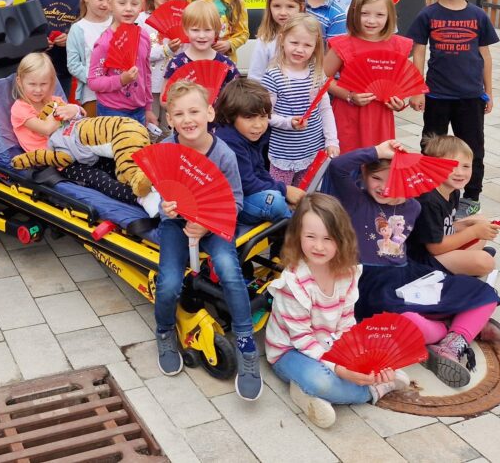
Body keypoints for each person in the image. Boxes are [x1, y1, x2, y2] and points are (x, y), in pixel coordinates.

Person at [327, 139, 500, 388]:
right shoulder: (356, 201)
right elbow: (337, 167)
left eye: (393, 181)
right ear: (364, 175)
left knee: (484, 293)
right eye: (377, 178)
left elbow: (412, 244)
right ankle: (452, 329)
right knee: (403, 320)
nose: (385, 187)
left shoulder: (413, 207)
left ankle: (455, 339)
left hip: (407, 273)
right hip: (371, 283)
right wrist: (377, 151)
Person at [154, 81, 263, 401]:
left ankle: (245, 344)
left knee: (230, 270)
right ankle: (163, 332)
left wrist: (205, 223)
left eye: (194, 111)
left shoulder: (223, 154)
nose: (188, 119)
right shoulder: (167, 150)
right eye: (179, 113)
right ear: (169, 119)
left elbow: (237, 203)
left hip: (215, 224)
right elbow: (162, 196)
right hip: (176, 226)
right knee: (169, 283)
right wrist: (166, 206)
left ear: (209, 113)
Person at [265, 193, 410, 429]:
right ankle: (373, 390)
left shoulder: (347, 273)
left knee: (381, 347)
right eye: (310, 237)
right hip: (290, 351)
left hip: (330, 343)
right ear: (298, 237)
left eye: (328, 238)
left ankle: (306, 391)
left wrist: (357, 360)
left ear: (341, 239)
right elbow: (302, 340)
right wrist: (341, 369)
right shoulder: (293, 283)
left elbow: (346, 323)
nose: (319, 246)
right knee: (321, 382)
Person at [407, 0, 498, 216]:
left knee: (473, 148)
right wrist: (416, 89)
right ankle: (428, 188)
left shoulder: (478, 16)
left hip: (470, 97)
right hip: (436, 95)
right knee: (431, 144)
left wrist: (488, 93)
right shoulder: (428, 15)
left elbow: (485, 56)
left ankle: (471, 196)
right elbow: (420, 52)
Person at [9, 52, 151, 203]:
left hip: (79, 149)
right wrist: (68, 111)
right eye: (32, 84)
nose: (38, 90)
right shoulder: (20, 108)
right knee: (99, 178)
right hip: (58, 162)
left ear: (51, 82)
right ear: (20, 81)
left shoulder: (54, 100)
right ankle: (137, 197)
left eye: (43, 84)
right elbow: (46, 128)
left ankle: (145, 179)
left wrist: (75, 110)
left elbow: (79, 119)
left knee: (112, 162)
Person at [323, 0, 416, 152]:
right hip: (347, 116)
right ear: (353, 13)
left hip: (380, 119)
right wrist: (349, 96)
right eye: (364, 13)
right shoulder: (343, 45)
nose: (371, 21)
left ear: (390, 17)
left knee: (376, 170)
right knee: (347, 167)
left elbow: (400, 85)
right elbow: (321, 79)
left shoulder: (398, 46)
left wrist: (399, 103)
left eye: (379, 15)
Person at [261, 14, 339, 186]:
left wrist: (332, 140)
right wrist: (289, 122)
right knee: (281, 196)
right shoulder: (273, 75)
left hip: (313, 150)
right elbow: (265, 115)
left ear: (315, 46)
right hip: (284, 153)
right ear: (282, 40)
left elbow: (325, 109)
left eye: (307, 45)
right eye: (294, 43)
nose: (299, 49)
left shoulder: (317, 72)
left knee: (304, 195)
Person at [407, 135, 500, 277]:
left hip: (437, 248)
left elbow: (444, 227)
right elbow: (435, 248)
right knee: (485, 262)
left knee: (481, 221)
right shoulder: (428, 200)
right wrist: (473, 232)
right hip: (420, 260)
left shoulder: (453, 191)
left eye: (466, 166)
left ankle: (463, 263)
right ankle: (463, 265)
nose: (460, 172)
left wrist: (468, 225)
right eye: (451, 166)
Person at [213, 79, 302, 225]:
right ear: (230, 116)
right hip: (230, 205)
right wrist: (284, 190)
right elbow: (246, 183)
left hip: (246, 196)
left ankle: (290, 224)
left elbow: (259, 170)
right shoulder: (229, 142)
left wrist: (280, 190)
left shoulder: (249, 135)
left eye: (263, 116)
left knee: (280, 200)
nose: (258, 125)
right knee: (274, 201)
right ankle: (293, 227)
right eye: (249, 117)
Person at [87, 0, 152, 125]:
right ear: (110, 5)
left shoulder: (144, 36)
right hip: (112, 111)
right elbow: (93, 81)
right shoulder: (104, 42)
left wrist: (148, 107)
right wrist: (121, 80)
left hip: (139, 109)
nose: (128, 8)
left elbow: (146, 73)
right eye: (122, 3)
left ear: (141, 5)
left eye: (134, 4)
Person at [27, 0, 81, 99]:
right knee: (35, 106)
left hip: (64, 69)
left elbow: (84, 34)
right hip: (36, 67)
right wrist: (40, 41)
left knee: (59, 107)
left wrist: (70, 39)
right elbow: (25, 31)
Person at [139, 0, 185, 126]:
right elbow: (139, 53)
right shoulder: (141, 20)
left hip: (172, 85)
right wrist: (166, 50)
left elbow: (184, 52)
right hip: (148, 86)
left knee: (169, 127)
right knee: (150, 127)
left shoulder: (181, 20)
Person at [67, 0, 116, 116]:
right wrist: (95, 80)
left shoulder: (116, 22)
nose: (105, 4)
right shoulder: (78, 29)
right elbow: (74, 64)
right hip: (92, 94)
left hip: (117, 92)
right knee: (95, 133)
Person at [163, 0, 240, 88]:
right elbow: (165, 99)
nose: (202, 35)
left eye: (207, 30)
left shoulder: (226, 64)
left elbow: (236, 96)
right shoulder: (176, 64)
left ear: (216, 30)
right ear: (186, 30)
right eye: (195, 30)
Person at [247, 0, 304, 82]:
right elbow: (255, 77)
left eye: (290, 6)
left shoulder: (307, 38)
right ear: (269, 7)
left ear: (301, 7)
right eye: (277, 6)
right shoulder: (266, 40)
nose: (283, 12)